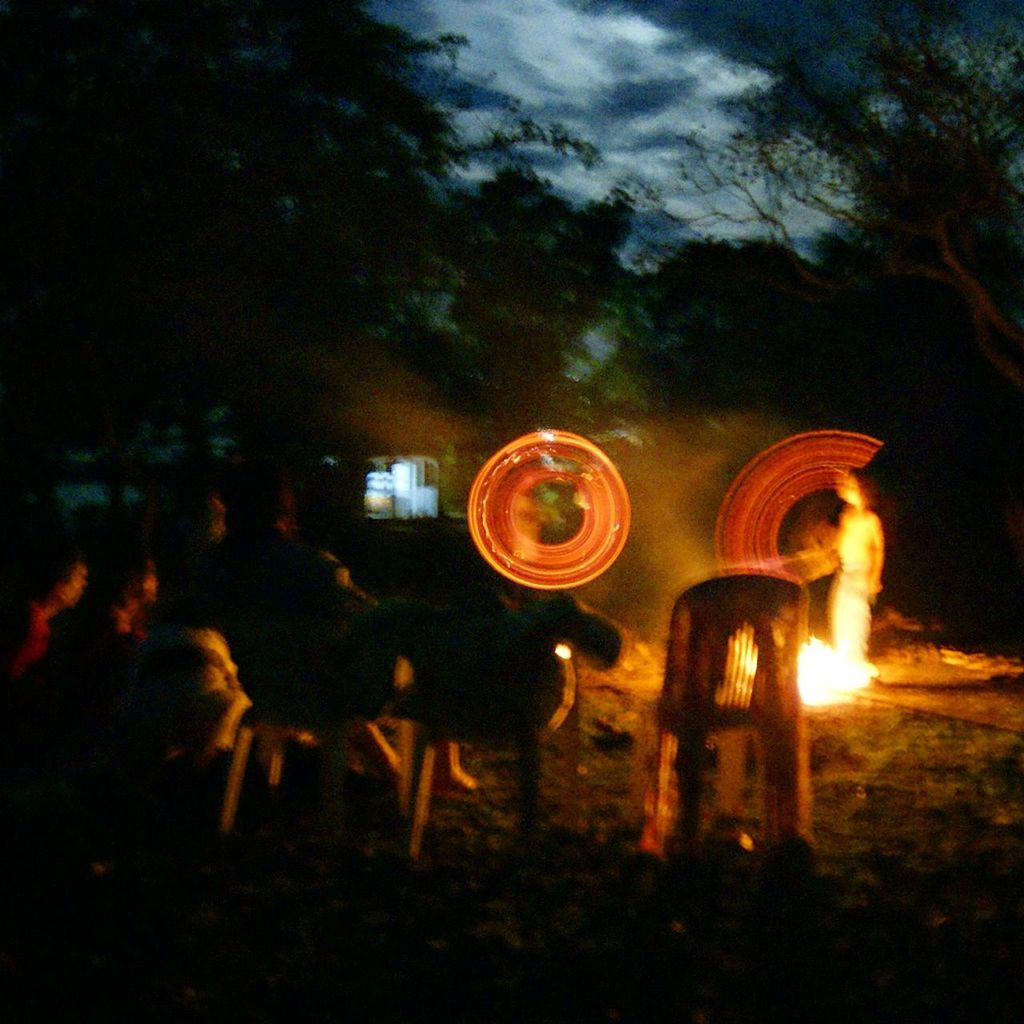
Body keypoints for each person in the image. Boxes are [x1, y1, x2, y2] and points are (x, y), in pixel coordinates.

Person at [829, 471, 885, 668]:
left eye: (851, 486)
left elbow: (878, 550)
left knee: (856, 614)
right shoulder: (846, 515)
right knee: (839, 612)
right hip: (845, 570)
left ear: (862, 491)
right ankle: (844, 658)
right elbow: (840, 542)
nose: (845, 489)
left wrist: (875, 576)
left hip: (861, 570)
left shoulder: (870, 519)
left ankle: (856, 660)